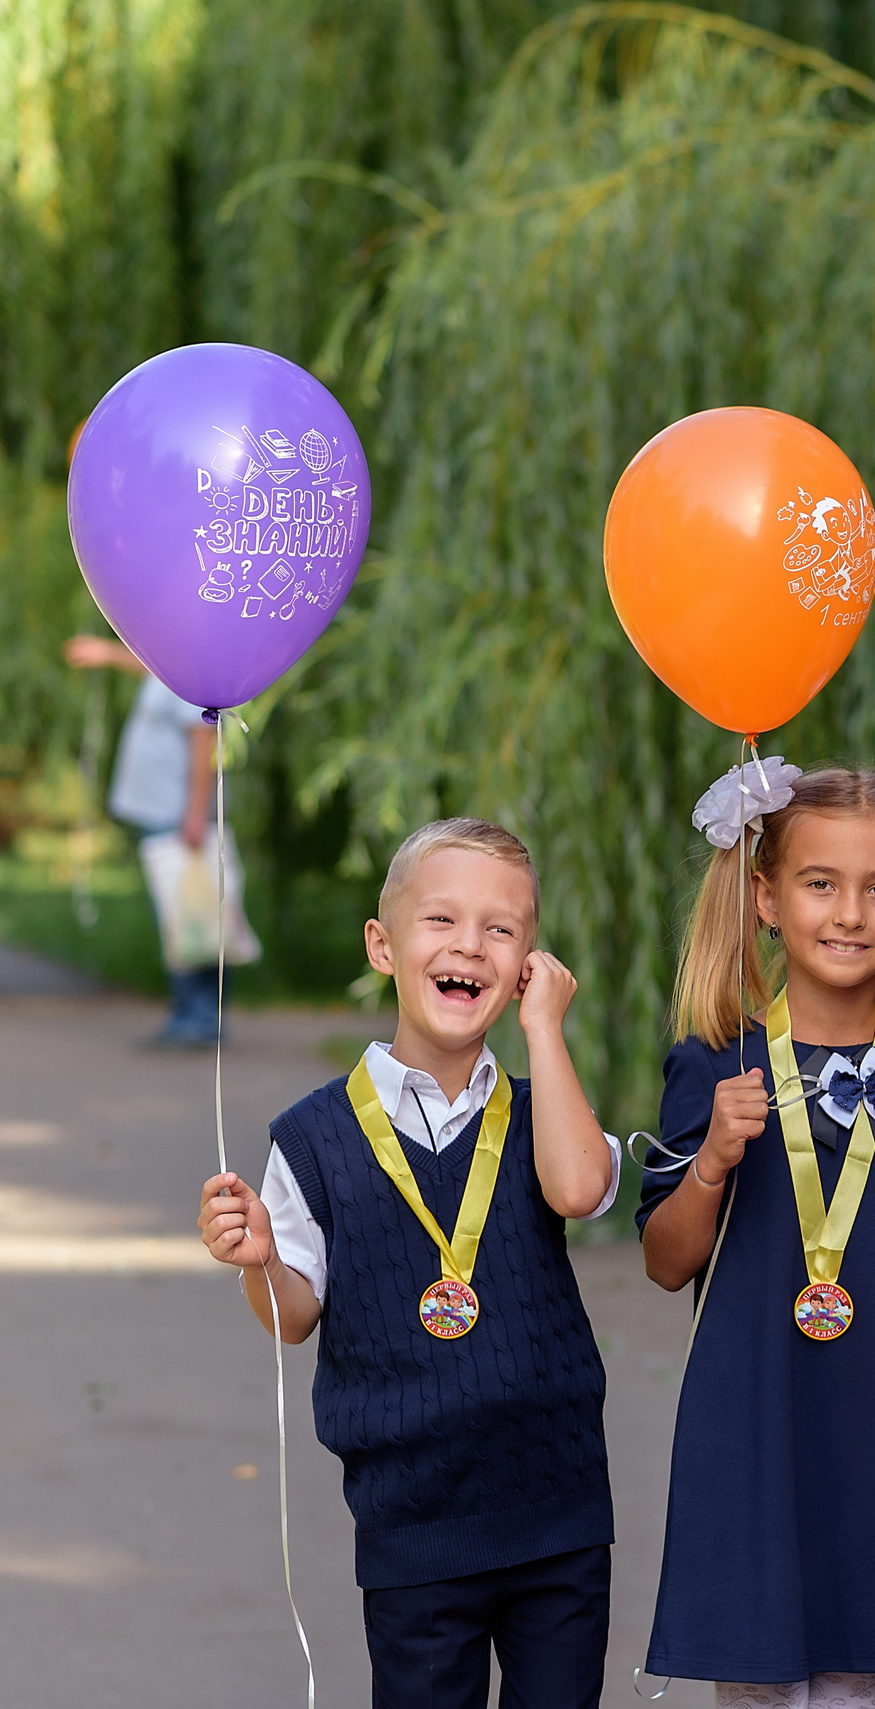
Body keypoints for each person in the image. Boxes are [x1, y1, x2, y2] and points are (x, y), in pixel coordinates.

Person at [193, 817, 622, 1708]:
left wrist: (544, 1029)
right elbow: (292, 1316)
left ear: (529, 968)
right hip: (414, 1525)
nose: (470, 944)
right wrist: (260, 1261)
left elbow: (580, 1190)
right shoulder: (312, 1138)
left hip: (559, 1510)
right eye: (442, 921)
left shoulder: (547, 1115)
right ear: (383, 946)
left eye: (502, 930)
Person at [636, 762, 875, 1708]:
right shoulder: (714, 1058)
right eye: (819, 883)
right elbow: (667, 1262)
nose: (848, 912)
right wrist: (710, 1158)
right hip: (755, 1423)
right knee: (752, 1683)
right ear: (766, 897)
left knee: (855, 1685)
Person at [63, 635, 234, 1045]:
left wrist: (194, 815)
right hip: (163, 815)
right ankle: (194, 1014)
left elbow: (203, 744)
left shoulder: (195, 678)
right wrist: (107, 655)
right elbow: (151, 669)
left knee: (187, 916)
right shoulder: (175, 667)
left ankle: (197, 1017)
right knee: (187, 913)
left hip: (175, 818)